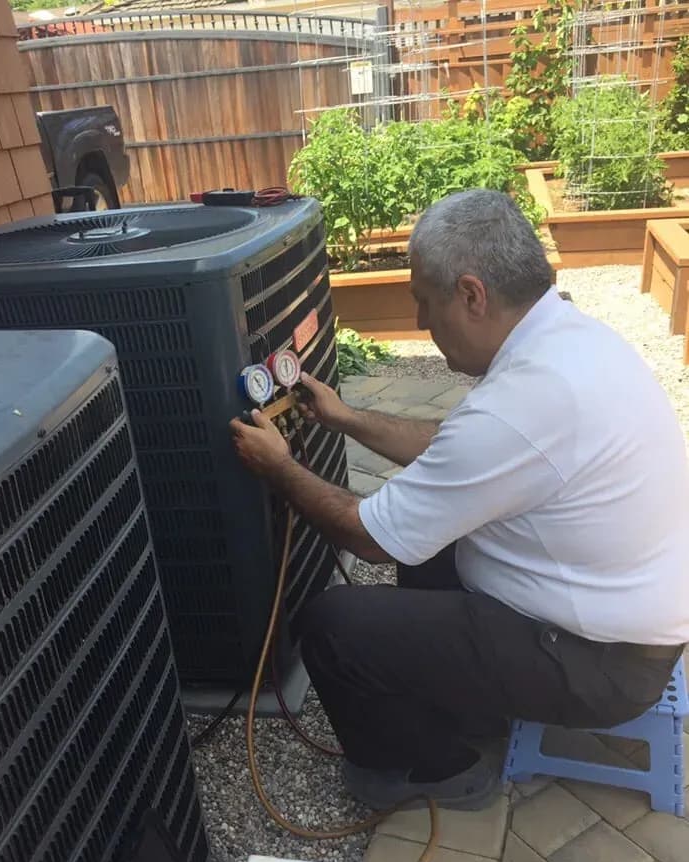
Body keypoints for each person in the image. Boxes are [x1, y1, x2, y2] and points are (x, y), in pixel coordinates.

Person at [230, 189, 689, 811]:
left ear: (472, 295)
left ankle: (440, 769)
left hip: (604, 667)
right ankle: (466, 704)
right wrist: (346, 418)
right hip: (618, 621)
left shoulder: (525, 401)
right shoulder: (567, 340)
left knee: (334, 626)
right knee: (429, 543)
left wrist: (279, 468)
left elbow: (369, 535)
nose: (421, 321)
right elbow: (457, 451)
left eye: (424, 300)